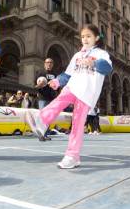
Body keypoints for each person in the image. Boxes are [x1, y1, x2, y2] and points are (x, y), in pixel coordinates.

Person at [26, 24, 112, 169]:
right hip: (72, 86)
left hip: (87, 93)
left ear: (96, 38)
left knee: (77, 125)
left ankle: (72, 156)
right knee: (60, 100)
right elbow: (67, 74)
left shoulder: (101, 54)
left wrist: (94, 62)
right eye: (83, 36)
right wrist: (56, 81)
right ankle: (41, 121)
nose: (84, 39)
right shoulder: (77, 55)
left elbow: (107, 68)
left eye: (88, 36)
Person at [35, 57, 58, 140]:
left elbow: (57, 87)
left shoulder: (55, 74)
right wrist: (40, 85)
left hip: (52, 98)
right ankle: (40, 134)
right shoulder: (40, 72)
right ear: (44, 63)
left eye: (51, 62)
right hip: (42, 98)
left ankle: (45, 134)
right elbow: (35, 86)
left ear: (52, 64)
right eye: (47, 62)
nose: (49, 64)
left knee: (49, 117)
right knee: (43, 116)